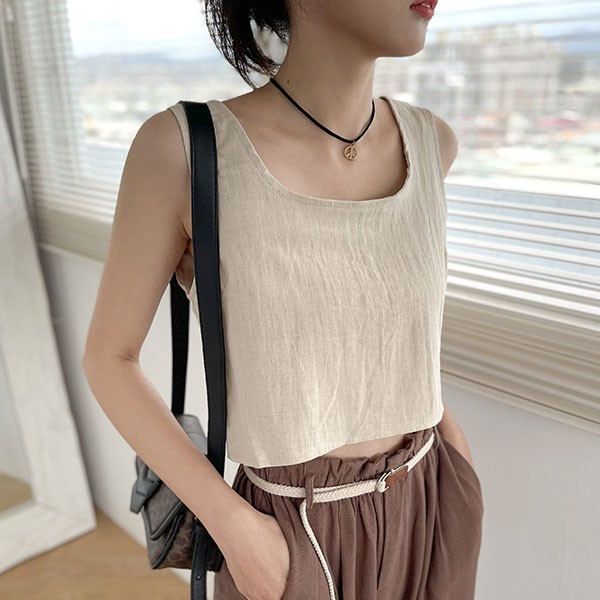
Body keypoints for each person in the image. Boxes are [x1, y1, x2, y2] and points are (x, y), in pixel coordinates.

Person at [83, 1, 484, 599]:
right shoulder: (187, 150)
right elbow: (109, 358)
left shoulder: (431, 143)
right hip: (291, 533)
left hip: (430, 502)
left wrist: (453, 453)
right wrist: (235, 527)